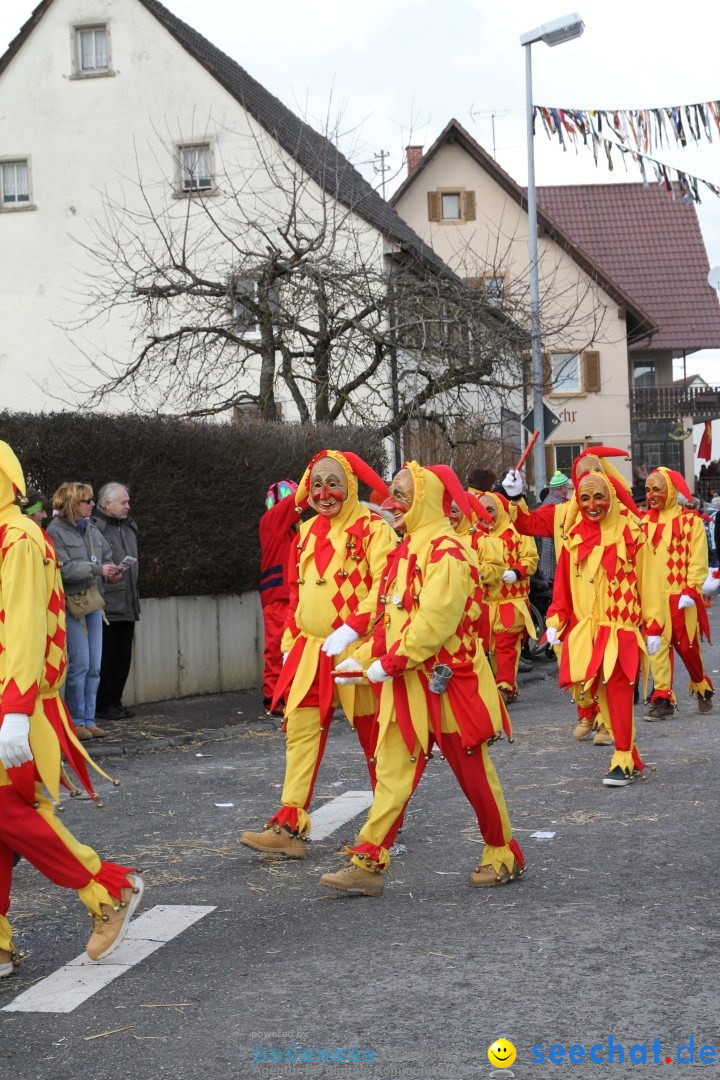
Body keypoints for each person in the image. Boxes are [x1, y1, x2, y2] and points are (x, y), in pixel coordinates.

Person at [323, 462, 525, 896]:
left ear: (425, 499)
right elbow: (387, 619)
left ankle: (502, 852)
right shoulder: (405, 549)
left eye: (401, 494)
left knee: (473, 776)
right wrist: (360, 660)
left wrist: (388, 663)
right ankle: (369, 859)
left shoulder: (448, 552)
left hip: (449, 685)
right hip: (409, 684)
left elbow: (434, 624)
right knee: (393, 771)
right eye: (392, 493)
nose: (390, 503)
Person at [0, 442, 143, 975]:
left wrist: (13, 707)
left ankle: (106, 886)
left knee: (11, 814)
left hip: (13, 702)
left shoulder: (16, 537)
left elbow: (23, 626)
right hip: (10, 699)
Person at [240, 451, 396, 858]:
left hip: (356, 652)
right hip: (311, 652)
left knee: (374, 737)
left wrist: (354, 629)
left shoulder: (373, 530)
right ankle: (289, 824)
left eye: (333, 483)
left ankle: (382, 826)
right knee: (302, 731)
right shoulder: (306, 532)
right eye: (317, 484)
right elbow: (295, 591)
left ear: (350, 487)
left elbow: (386, 589)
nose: (325, 493)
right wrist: (291, 641)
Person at [502, 448, 636, 745]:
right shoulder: (561, 512)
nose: (589, 478)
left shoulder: (617, 512)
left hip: (604, 601)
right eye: (583, 474)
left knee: (604, 664)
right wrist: (514, 496)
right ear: (576, 481)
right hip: (570, 600)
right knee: (572, 663)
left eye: (594, 472)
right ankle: (585, 711)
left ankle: (605, 722)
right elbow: (527, 524)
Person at [545, 471, 664, 786]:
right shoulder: (574, 538)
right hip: (587, 632)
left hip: (620, 629)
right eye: (584, 498)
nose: (592, 504)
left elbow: (649, 581)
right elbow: (563, 586)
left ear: (610, 497)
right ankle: (628, 751)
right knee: (597, 694)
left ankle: (623, 756)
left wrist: (653, 624)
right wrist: (556, 617)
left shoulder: (631, 533)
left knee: (619, 691)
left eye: (598, 496)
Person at [47, 484, 120, 740]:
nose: (92, 504)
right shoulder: (55, 532)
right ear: (72, 504)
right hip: (72, 605)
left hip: (93, 602)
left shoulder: (90, 528)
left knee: (94, 666)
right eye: (86, 501)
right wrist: (99, 570)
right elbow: (63, 569)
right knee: (79, 665)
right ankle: (75, 721)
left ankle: (88, 719)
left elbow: (107, 556)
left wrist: (112, 571)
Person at [641, 468, 714, 719]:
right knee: (657, 649)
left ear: (669, 491)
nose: (651, 495)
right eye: (648, 489)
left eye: (657, 489)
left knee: (688, 649)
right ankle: (663, 700)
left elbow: (698, 558)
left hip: (681, 598)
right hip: (653, 601)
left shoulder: (690, 521)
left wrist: (691, 588)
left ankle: (702, 687)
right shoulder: (642, 524)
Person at [470, 491, 537, 704]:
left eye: (489, 510)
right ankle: (502, 685)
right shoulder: (476, 536)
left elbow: (530, 558)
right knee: (490, 648)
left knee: (506, 646)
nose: (484, 516)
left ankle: (505, 686)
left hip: (511, 601)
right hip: (486, 602)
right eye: (480, 511)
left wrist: (516, 572)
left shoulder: (517, 530)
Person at [92, 484, 140, 722]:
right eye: (124, 502)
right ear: (107, 504)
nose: (128, 506)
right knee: (106, 656)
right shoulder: (95, 528)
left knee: (123, 656)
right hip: (108, 603)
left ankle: (116, 701)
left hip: (128, 602)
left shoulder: (129, 527)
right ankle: (103, 704)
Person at [258, 479, 299, 715]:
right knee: (277, 648)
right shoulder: (272, 521)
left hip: (288, 597)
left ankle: (282, 695)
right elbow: (297, 501)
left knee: (289, 648)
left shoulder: (289, 529)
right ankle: (274, 697)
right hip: (278, 598)